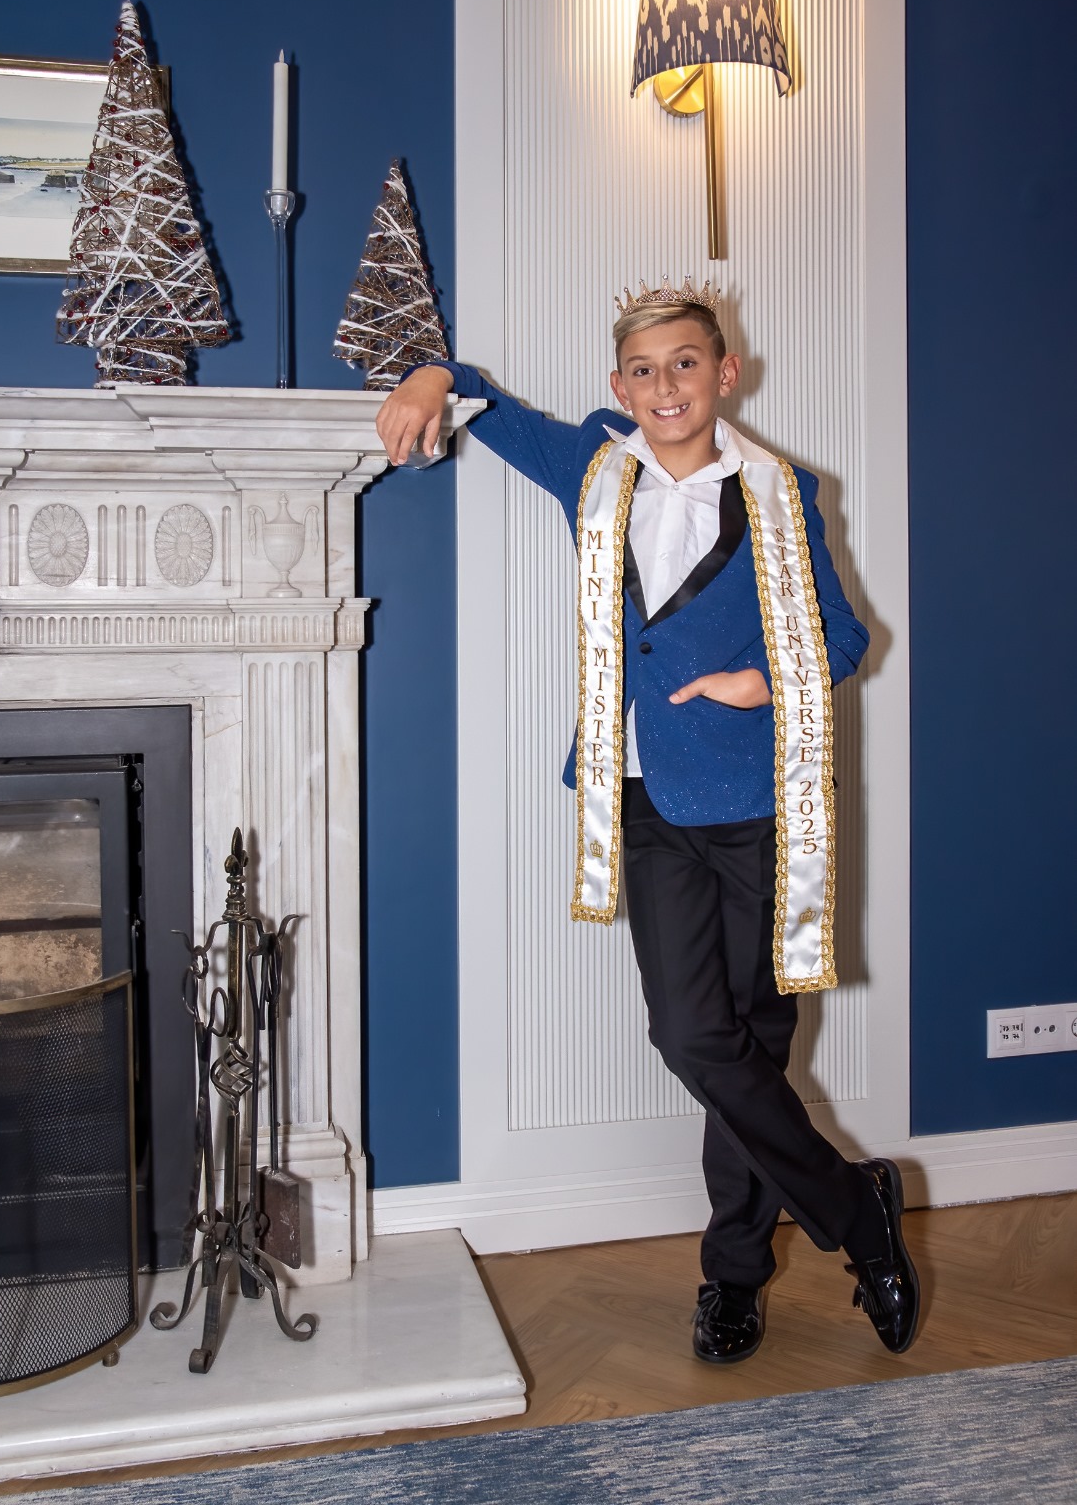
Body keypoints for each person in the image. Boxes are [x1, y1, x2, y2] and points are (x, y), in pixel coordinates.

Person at [376, 278, 919, 1363]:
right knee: (693, 1037)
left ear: (725, 373)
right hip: (642, 796)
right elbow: (484, 403)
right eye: (641, 369)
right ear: (617, 386)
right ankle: (855, 1213)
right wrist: (434, 374)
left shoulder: (780, 493)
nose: (664, 384)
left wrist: (763, 681)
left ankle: (733, 1277)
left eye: (684, 363)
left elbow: (845, 637)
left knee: (752, 1052)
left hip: (756, 803)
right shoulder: (593, 466)